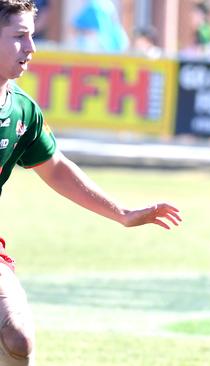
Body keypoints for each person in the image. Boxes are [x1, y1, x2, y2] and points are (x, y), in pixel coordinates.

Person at [0, 1, 181, 364]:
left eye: (32, 37)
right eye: (19, 37)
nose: (31, 48)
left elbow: (55, 167)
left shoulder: (22, 109)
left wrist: (123, 213)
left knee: (17, 339)